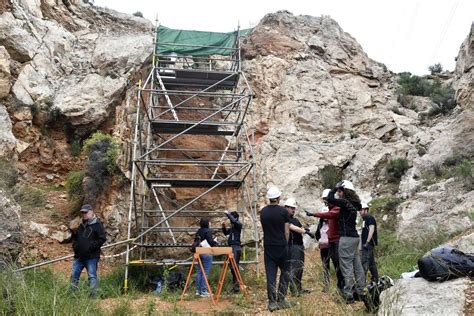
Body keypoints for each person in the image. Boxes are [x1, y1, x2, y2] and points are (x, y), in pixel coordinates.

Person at [326, 180, 366, 304]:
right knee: (357, 265)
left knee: (346, 266)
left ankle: (348, 294)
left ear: (344, 191)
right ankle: (360, 291)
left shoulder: (344, 202)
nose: (338, 193)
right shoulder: (357, 203)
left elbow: (330, 199)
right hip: (355, 238)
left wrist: (333, 188)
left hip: (346, 238)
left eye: (339, 191)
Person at [260, 186, 294, 312]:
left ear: (269, 199)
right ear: (278, 198)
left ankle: (272, 302)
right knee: (285, 272)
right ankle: (281, 299)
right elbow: (286, 231)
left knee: (270, 274)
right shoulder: (283, 212)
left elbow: (265, 229)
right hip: (281, 245)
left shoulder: (263, 212)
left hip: (269, 246)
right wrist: (285, 244)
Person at [306, 189, 345, 293]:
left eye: (326, 200)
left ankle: (341, 285)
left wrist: (314, 214)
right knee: (325, 265)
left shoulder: (336, 211)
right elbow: (318, 232)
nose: (325, 202)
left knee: (337, 264)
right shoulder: (323, 221)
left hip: (334, 243)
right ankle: (326, 285)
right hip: (324, 246)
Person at [70, 204, 106, 298]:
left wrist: (90, 247)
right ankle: (71, 296)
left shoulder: (97, 224)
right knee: (74, 276)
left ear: (91, 211)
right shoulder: (81, 224)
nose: (84, 214)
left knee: (92, 276)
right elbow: (76, 238)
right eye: (82, 212)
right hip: (79, 256)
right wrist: (75, 246)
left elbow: (102, 238)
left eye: (86, 212)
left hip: (91, 257)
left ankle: (93, 296)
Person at [284, 198, 313, 296]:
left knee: (300, 267)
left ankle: (299, 288)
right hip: (292, 246)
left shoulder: (295, 219)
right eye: (291, 208)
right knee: (294, 268)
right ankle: (294, 291)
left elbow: (300, 227)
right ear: (286, 207)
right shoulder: (285, 218)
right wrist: (305, 231)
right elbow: (292, 227)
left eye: (294, 208)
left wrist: (306, 228)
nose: (293, 210)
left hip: (300, 246)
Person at [195, 217, 218, 297]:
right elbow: (211, 243)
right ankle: (204, 291)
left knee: (199, 271)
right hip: (206, 252)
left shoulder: (198, 231)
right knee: (205, 272)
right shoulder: (208, 231)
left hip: (199, 251)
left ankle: (198, 290)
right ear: (207, 223)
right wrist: (215, 241)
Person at [222, 210, 243, 293]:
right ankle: (235, 287)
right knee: (232, 268)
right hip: (231, 247)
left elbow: (234, 221)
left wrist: (228, 214)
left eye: (231, 218)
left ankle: (237, 286)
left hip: (235, 247)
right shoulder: (233, 227)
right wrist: (223, 226)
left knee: (234, 267)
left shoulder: (238, 225)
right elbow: (225, 233)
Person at [360, 202, 379, 282]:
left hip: (368, 244)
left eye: (361, 210)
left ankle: (361, 281)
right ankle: (375, 279)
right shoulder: (365, 219)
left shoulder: (369, 217)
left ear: (365, 210)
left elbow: (372, 228)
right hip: (366, 244)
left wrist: (367, 242)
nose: (359, 212)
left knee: (364, 262)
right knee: (371, 263)